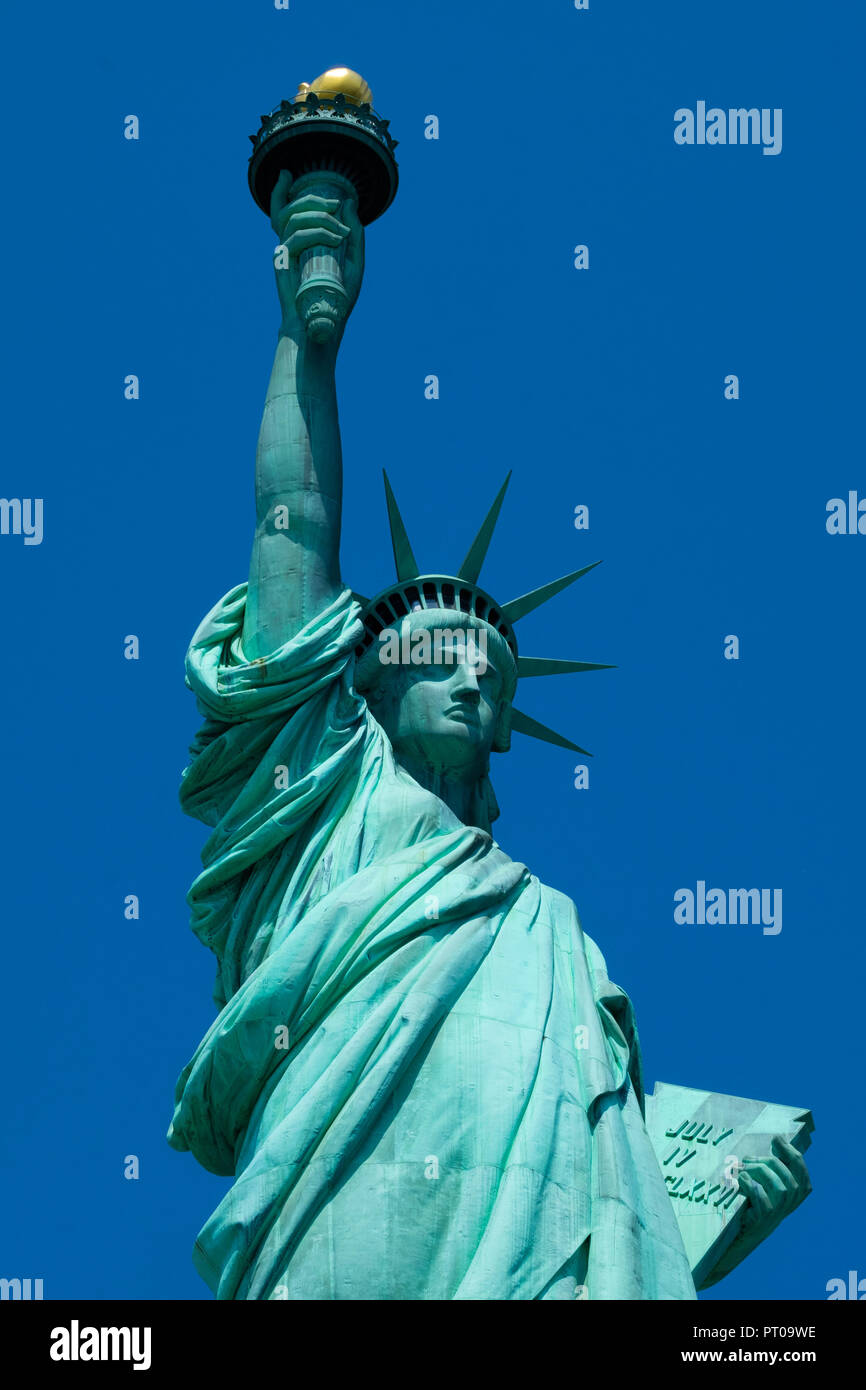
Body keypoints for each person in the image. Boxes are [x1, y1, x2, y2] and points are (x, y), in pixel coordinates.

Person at [168, 173, 809, 1300]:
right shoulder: (325, 801)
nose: (465, 677)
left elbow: (609, 1202)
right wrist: (304, 342)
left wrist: (718, 1227)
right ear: (358, 687)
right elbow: (294, 529)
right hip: (342, 1219)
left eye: (490, 671)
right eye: (434, 658)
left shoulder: (548, 928)